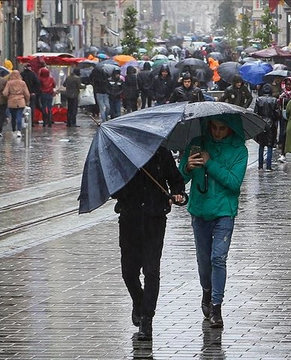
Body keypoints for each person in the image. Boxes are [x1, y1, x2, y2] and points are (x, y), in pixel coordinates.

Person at [178, 117, 248, 329]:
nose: (217, 133)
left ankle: (216, 306)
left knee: (218, 258)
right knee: (203, 259)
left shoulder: (239, 150)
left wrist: (210, 163)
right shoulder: (197, 144)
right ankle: (206, 290)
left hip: (224, 211)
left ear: (230, 128)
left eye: (222, 128)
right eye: (214, 128)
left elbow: (234, 183)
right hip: (200, 210)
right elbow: (180, 178)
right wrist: (187, 167)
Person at [112, 147, 186, 341]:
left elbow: (176, 181)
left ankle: (147, 319)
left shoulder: (162, 153)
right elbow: (114, 189)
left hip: (155, 219)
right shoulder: (124, 155)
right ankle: (139, 301)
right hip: (130, 219)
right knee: (129, 271)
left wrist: (178, 194)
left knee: (151, 270)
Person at [254, 83, 280, 171]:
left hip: (261, 123)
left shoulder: (259, 100)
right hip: (271, 124)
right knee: (270, 145)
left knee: (261, 145)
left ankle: (260, 165)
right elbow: (277, 114)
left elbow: (255, 113)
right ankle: (268, 166)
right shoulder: (274, 100)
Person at [3, 70, 30, 137]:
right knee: (19, 116)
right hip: (21, 101)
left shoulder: (9, 83)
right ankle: (19, 130)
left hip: (11, 101)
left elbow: (5, 93)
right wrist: (27, 101)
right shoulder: (22, 83)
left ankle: (14, 129)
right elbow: (27, 94)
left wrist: (8, 97)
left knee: (13, 116)